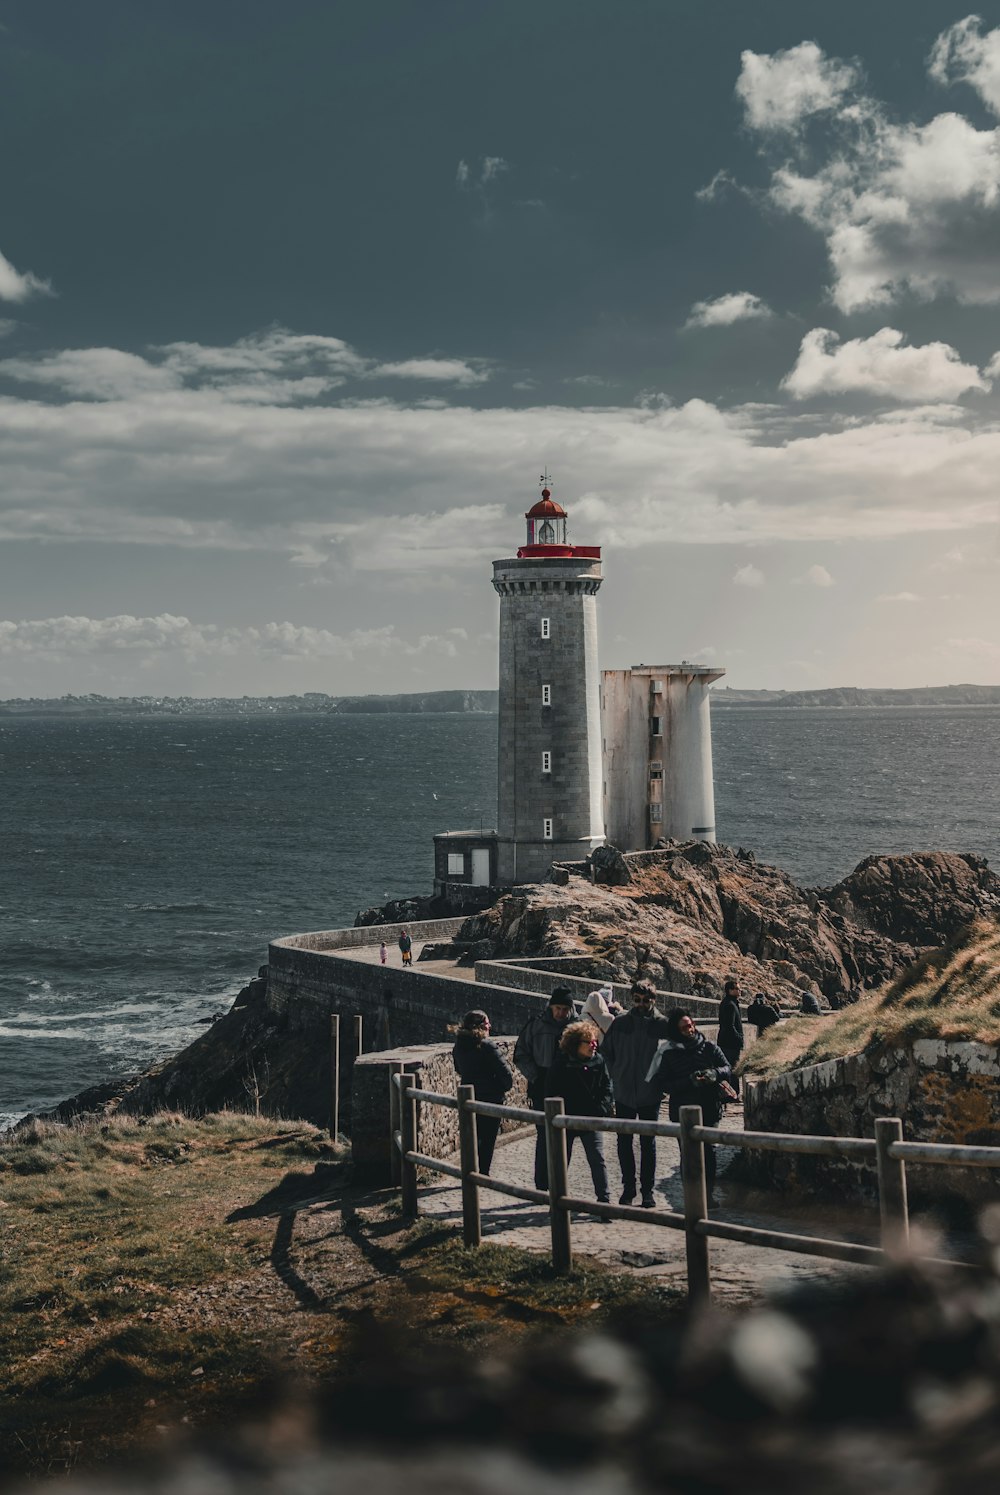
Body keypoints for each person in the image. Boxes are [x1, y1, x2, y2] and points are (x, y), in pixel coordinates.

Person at [648, 1009, 734, 1202]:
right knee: (688, 1155)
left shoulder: (710, 1047)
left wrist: (714, 1074)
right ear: (676, 1031)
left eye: (690, 1025)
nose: (689, 1030)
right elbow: (663, 1083)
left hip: (710, 1107)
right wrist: (689, 1081)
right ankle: (693, 1197)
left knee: (709, 1153)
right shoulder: (669, 1054)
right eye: (684, 1028)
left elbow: (728, 1068)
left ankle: (708, 1196)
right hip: (683, 1110)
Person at [601, 985, 670, 1208]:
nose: (641, 1004)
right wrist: (617, 1074)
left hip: (650, 1093)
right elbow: (606, 1053)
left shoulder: (663, 1025)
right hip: (624, 1092)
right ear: (632, 999)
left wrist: (662, 1082)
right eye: (637, 1000)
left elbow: (672, 1054)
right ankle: (628, 1188)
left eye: (645, 1000)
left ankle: (647, 1191)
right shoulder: (620, 1023)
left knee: (648, 1143)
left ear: (653, 1000)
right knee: (624, 1142)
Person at [545, 1020, 614, 1209]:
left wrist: (601, 1109)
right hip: (566, 1121)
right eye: (588, 1042)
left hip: (590, 1119)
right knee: (561, 1161)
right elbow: (551, 1091)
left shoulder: (598, 1061)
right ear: (575, 1044)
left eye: (595, 1042)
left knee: (597, 1159)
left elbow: (607, 1088)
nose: (593, 1046)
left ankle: (604, 1202)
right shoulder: (560, 1064)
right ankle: (557, 1200)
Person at [513, 987, 577, 1189]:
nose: (561, 1013)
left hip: (569, 1089)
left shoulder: (578, 1028)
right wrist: (536, 1076)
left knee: (566, 1137)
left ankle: (559, 1182)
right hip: (542, 1087)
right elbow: (521, 1053)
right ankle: (542, 1183)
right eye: (557, 1008)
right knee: (543, 1136)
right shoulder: (537, 1025)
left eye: (565, 1009)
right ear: (550, 1006)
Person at [451, 1009, 514, 1176]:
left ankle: (469, 1171)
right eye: (487, 1023)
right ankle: (482, 1174)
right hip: (490, 1099)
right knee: (487, 1140)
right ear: (479, 1026)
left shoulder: (459, 1045)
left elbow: (458, 1069)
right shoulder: (487, 1046)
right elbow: (506, 1076)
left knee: (471, 1137)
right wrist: (500, 1087)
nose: (490, 1026)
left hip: (469, 1098)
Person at [716, 979, 745, 1095]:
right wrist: (739, 1037)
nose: (739, 991)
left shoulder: (730, 1003)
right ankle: (732, 1093)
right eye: (737, 989)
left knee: (730, 1068)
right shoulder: (730, 1005)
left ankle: (730, 1093)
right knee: (733, 1069)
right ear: (730, 990)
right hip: (730, 1043)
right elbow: (729, 1026)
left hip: (727, 1042)